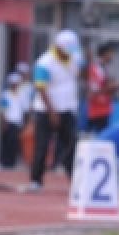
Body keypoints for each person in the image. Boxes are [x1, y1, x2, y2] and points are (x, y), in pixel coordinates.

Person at [28, 29, 80, 191]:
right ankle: (36, 180)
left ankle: (76, 180)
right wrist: (52, 112)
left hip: (68, 108)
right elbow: (41, 88)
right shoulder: (44, 63)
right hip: (47, 110)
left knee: (72, 145)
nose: (69, 54)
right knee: (42, 146)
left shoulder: (73, 58)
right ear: (58, 47)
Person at [85, 43, 116, 133]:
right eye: (110, 53)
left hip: (105, 109)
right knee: (95, 137)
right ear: (104, 54)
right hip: (97, 110)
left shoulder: (105, 68)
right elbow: (93, 91)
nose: (112, 56)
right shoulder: (95, 68)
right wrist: (111, 87)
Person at [0, 71, 26, 168]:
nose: (15, 85)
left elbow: (24, 109)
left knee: (14, 143)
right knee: (7, 142)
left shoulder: (21, 94)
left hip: (18, 122)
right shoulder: (6, 94)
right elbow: (2, 110)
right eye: (14, 83)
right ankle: (4, 161)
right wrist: (4, 122)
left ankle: (12, 162)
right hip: (9, 121)